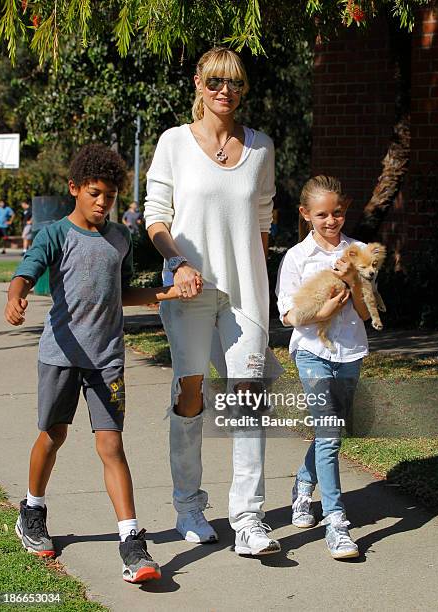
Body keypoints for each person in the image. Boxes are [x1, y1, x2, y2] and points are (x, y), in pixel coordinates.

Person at [4, 144, 186, 583]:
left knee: (111, 446)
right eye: (94, 193)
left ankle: (131, 543)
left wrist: (164, 294)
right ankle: (31, 509)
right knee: (53, 435)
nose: (103, 203)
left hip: (106, 361)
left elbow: (117, 294)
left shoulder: (118, 239)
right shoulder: (54, 235)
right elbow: (24, 274)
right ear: (75, 189)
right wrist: (15, 297)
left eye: (110, 195)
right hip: (61, 357)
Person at [144, 47, 282, 556]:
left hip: (245, 294)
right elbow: (155, 216)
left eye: (236, 83)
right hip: (189, 289)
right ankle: (189, 506)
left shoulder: (261, 147)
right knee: (191, 393)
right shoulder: (174, 143)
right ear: (199, 83)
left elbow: (263, 221)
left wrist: (258, 278)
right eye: (217, 81)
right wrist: (177, 262)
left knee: (248, 401)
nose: (227, 91)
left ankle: (248, 519)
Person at [276, 175, 371, 559]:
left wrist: (354, 285)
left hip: (351, 351)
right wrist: (323, 310)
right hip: (312, 352)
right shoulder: (297, 258)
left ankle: (303, 484)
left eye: (337, 213)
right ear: (305, 215)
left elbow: (365, 312)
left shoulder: (359, 251)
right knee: (330, 435)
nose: (331, 221)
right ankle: (336, 523)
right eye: (321, 215)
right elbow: (287, 316)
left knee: (333, 430)